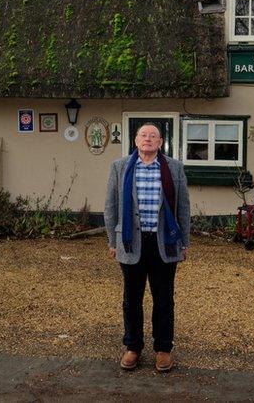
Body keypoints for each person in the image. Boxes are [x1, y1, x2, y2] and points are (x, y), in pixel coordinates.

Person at [104, 122, 190, 372]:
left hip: (165, 242)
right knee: (132, 298)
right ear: (136, 141)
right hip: (131, 243)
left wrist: (184, 242)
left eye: (153, 136)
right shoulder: (119, 167)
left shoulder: (174, 168)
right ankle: (132, 347)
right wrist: (112, 241)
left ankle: (163, 350)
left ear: (161, 142)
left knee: (164, 299)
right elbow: (110, 206)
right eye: (144, 135)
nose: (148, 139)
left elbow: (183, 207)